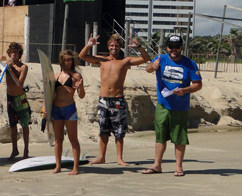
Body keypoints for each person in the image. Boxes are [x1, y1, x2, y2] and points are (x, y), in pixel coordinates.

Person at [79, 33, 150, 166]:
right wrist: (89, 44)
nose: (114, 48)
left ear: (120, 47)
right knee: (103, 130)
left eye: (116, 46)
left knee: (119, 130)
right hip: (103, 100)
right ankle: (101, 157)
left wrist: (139, 46)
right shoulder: (102, 60)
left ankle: (119, 158)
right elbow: (82, 56)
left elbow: (146, 59)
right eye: (111, 45)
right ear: (108, 46)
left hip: (118, 100)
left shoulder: (125, 61)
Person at [142, 35, 202, 176]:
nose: (173, 49)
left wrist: (185, 90)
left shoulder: (190, 64)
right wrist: (153, 66)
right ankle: (157, 165)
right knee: (160, 135)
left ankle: (179, 167)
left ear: (181, 47)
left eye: (177, 46)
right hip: (163, 104)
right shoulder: (161, 59)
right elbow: (148, 69)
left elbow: (198, 84)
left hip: (180, 107)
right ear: (167, 47)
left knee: (179, 137)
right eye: (171, 46)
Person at [0, 42, 31, 160]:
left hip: (20, 99)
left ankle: (26, 150)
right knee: (12, 126)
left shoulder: (23, 67)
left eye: (16, 52)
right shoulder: (6, 66)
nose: (14, 55)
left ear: (19, 54)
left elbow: (19, 84)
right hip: (10, 99)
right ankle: (14, 150)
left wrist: (10, 69)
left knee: (24, 125)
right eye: (12, 52)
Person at [52, 50, 85, 174]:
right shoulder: (55, 76)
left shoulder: (76, 76)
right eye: (65, 60)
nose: (67, 62)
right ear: (61, 61)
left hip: (69, 109)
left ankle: (76, 168)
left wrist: (80, 88)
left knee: (73, 139)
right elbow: (49, 94)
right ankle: (58, 166)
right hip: (56, 109)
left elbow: (81, 95)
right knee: (58, 139)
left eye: (69, 60)